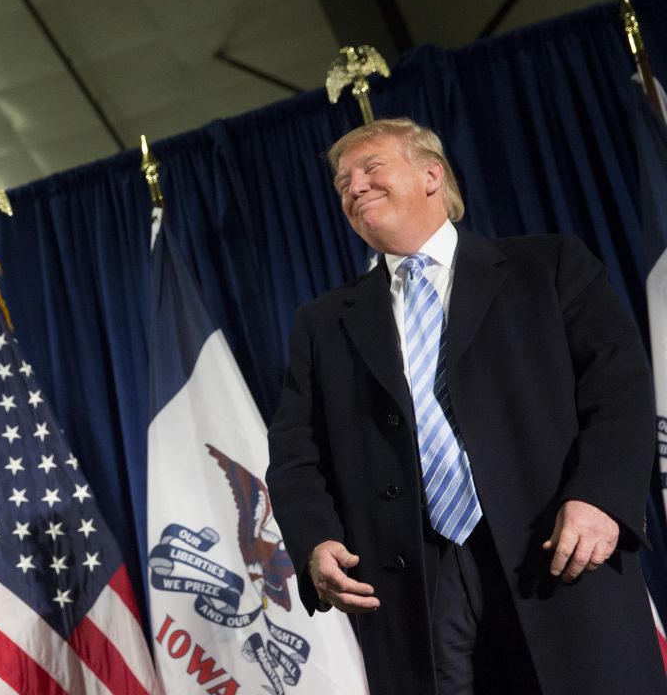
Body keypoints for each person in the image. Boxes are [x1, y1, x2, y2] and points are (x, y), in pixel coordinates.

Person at [265, 118, 666, 695]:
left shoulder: (547, 267)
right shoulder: (323, 323)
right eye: (342, 182)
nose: (354, 186)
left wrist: (601, 498)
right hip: (416, 582)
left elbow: (619, 389)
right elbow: (295, 452)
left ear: (432, 174)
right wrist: (315, 541)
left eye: (371, 168)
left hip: (554, 546)